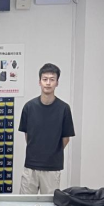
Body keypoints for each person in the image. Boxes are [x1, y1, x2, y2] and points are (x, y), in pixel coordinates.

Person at [19, 63, 75, 194]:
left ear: (57, 83)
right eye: (45, 79)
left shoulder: (64, 108)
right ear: (39, 82)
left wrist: (51, 152)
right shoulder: (29, 107)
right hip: (31, 165)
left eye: (52, 79)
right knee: (25, 203)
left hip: (52, 167)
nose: (48, 83)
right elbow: (27, 135)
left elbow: (66, 138)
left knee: (49, 204)